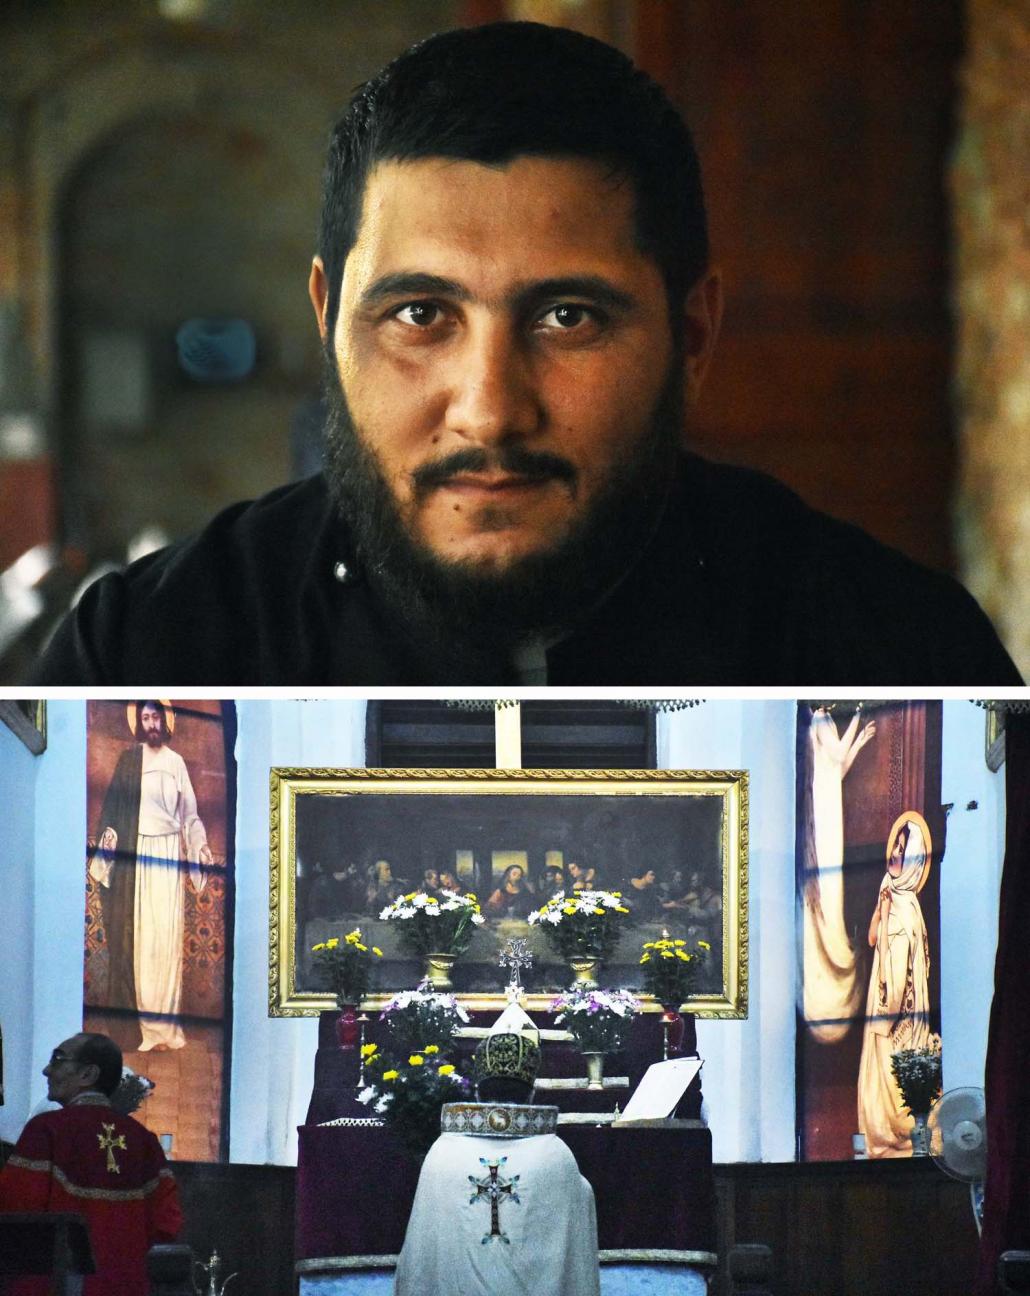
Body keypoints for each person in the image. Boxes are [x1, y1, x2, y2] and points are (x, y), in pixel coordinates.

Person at [29, 22, 1021, 687]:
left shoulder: (893, 659)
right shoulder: (144, 660)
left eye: (568, 320)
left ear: (694, 334)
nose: (490, 410)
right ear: (331, 319)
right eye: (420, 316)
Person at [394, 1032, 599, 1296]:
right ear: (532, 1093)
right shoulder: (556, 1155)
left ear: (479, 1092)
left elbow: (423, 1254)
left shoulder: (443, 1152)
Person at [0, 1032, 183, 1296]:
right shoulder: (144, 1141)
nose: (46, 1070)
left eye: (58, 1059)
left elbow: (16, 1209)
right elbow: (167, 1224)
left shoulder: (47, 1129)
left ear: (88, 1075)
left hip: (55, 1287)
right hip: (127, 1286)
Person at [89, 701, 212, 1052]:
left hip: (169, 855)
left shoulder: (176, 763)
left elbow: (190, 815)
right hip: (137, 856)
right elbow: (112, 810)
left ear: (165, 720)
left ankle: (165, 1029)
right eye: (145, 718)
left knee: (166, 939)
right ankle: (142, 1027)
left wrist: (199, 846)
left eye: (156, 716)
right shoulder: (129, 761)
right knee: (140, 940)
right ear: (139, 723)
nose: (151, 723)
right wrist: (109, 838)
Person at [856, 813, 933, 1158]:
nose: (894, 856)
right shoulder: (891, 893)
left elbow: (896, 973)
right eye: (894, 848)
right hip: (882, 1001)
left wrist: (886, 1020)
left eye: (901, 852)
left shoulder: (905, 911)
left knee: (892, 1081)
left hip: (894, 1015)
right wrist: (879, 909)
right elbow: (873, 939)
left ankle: (896, 1143)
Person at [801, 705, 877, 1043]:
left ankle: (835, 947)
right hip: (824, 814)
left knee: (835, 889)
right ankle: (829, 959)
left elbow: (837, 768)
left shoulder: (825, 720)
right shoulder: (818, 719)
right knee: (829, 888)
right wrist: (858, 717)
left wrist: (860, 741)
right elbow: (837, 753)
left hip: (831, 809)